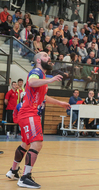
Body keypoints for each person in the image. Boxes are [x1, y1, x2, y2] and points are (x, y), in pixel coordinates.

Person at [5, 52, 70, 188]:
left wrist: (60, 103)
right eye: (46, 56)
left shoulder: (42, 77)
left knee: (25, 144)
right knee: (37, 143)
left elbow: (43, 97)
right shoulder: (36, 71)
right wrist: (50, 80)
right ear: (39, 60)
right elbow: (31, 82)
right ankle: (25, 177)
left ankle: (13, 171)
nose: (49, 58)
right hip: (29, 113)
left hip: (27, 113)